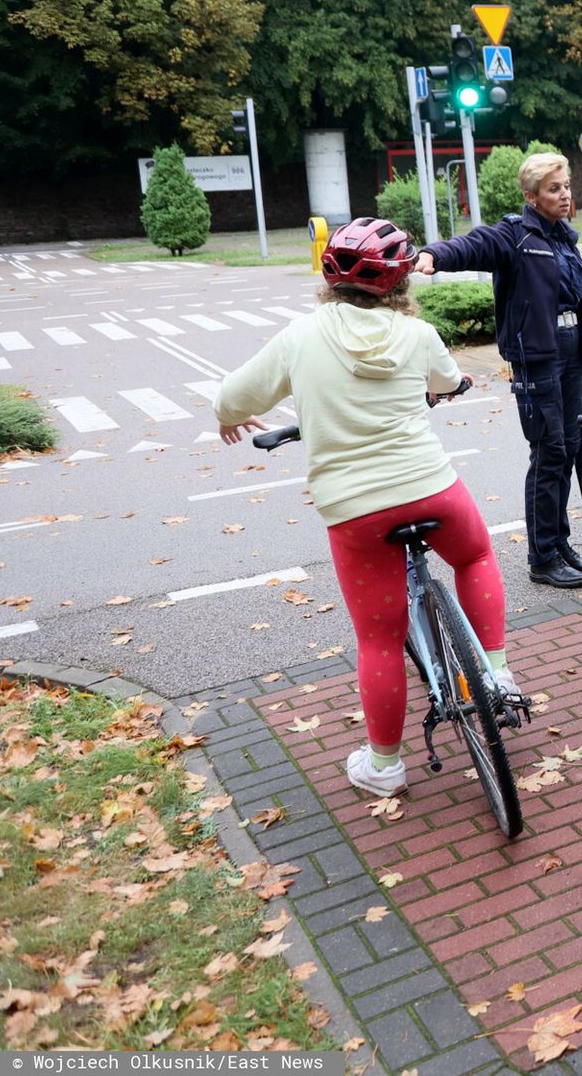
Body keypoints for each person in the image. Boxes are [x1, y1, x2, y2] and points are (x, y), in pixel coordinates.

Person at [214, 218, 512, 798]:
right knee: (474, 556)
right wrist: (444, 386)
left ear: (330, 279)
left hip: (356, 510)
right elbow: (447, 381)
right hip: (431, 489)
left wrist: (229, 416)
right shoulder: (417, 335)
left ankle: (384, 766)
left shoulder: (301, 336)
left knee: (379, 639)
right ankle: (496, 674)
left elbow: (233, 397)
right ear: (402, 281)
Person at [413, 152, 582, 589]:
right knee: (549, 452)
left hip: (570, 352)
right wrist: (433, 255)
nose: (565, 195)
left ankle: (559, 544)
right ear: (531, 196)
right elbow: (471, 245)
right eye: (554, 189)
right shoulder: (515, 235)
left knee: (570, 448)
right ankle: (542, 557)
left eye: (567, 186)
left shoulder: (563, 237)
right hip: (538, 355)